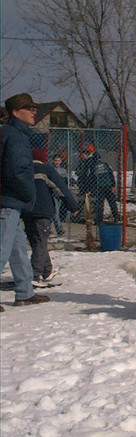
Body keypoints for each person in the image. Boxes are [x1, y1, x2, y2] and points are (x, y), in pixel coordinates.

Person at [1, 93, 50, 309]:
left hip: (11, 200)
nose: (34, 112)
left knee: (18, 247)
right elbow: (17, 171)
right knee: (2, 247)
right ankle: (24, 292)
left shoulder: (10, 133)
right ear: (15, 112)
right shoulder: (16, 136)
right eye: (29, 108)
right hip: (8, 201)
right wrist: (29, 194)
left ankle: (24, 292)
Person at [23, 149, 79, 286]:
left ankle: (47, 271)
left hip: (26, 210)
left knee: (36, 241)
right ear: (44, 158)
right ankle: (34, 275)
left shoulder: (24, 169)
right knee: (41, 242)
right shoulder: (46, 169)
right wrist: (72, 206)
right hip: (43, 210)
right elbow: (61, 188)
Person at [50, 153, 69, 235]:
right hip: (53, 192)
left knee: (55, 211)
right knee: (55, 211)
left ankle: (47, 227)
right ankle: (59, 229)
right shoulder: (51, 169)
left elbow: (67, 179)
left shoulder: (63, 171)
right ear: (53, 161)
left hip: (59, 193)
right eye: (56, 160)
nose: (57, 162)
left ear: (61, 162)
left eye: (59, 161)